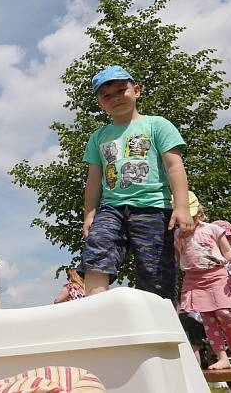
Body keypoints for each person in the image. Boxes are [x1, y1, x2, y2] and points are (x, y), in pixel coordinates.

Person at [81, 66, 192, 303]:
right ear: (100, 103)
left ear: (137, 90)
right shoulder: (98, 137)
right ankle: (94, 305)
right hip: (112, 207)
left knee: (155, 269)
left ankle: (161, 319)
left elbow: (174, 165)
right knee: (97, 243)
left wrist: (182, 206)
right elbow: (93, 180)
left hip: (152, 206)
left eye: (122, 90)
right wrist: (89, 213)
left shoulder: (157, 125)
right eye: (106, 96)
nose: (116, 98)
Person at [175, 196, 231, 370]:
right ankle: (221, 357)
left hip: (216, 275)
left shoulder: (213, 229)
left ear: (199, 211)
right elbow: (178, 258)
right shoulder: (177, 235)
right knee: (208, 320)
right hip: (194, 280)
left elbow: (227, 251)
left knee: (224, 313)